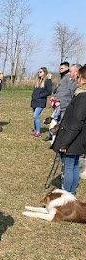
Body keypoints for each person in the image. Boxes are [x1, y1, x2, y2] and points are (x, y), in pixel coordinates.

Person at [51, 64, 86, 195]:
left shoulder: (82, 97)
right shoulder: (81, 95)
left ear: (82, 79)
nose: (76, 79)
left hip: (74, 138)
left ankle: (66, 194)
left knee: (69, 166)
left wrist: (65, 142)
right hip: (77, 137)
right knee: (74, 165)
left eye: (78, 76)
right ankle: (70, 194)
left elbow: (77, 122)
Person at [30, 67, 52, 138]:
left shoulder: (48, 81)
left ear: (45, 73)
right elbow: (34, 91)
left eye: (41, 72)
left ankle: (38, 132)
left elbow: (49, 92)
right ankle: (35, 131)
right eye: (38, 72)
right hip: (34, 101)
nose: (39, 73)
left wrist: (40, 96)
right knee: (34, 117)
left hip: (41, 101)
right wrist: (33, 96)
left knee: (35, 115)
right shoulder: (38, 81)